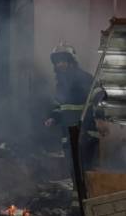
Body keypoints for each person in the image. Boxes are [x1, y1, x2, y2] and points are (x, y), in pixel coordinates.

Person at [44, 44, 103, 176]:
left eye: (63, 60)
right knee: (74, 174)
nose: (60, 64)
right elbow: (59, 106)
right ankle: (78, 195)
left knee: (86, 174)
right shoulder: (60, 85)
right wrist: (53, 118)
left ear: (71, 61)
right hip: (69, 137)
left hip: (86, 134)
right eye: (57, 62)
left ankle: (88, 197)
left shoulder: (84, 78)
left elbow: (99, 96)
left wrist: (100, 119)